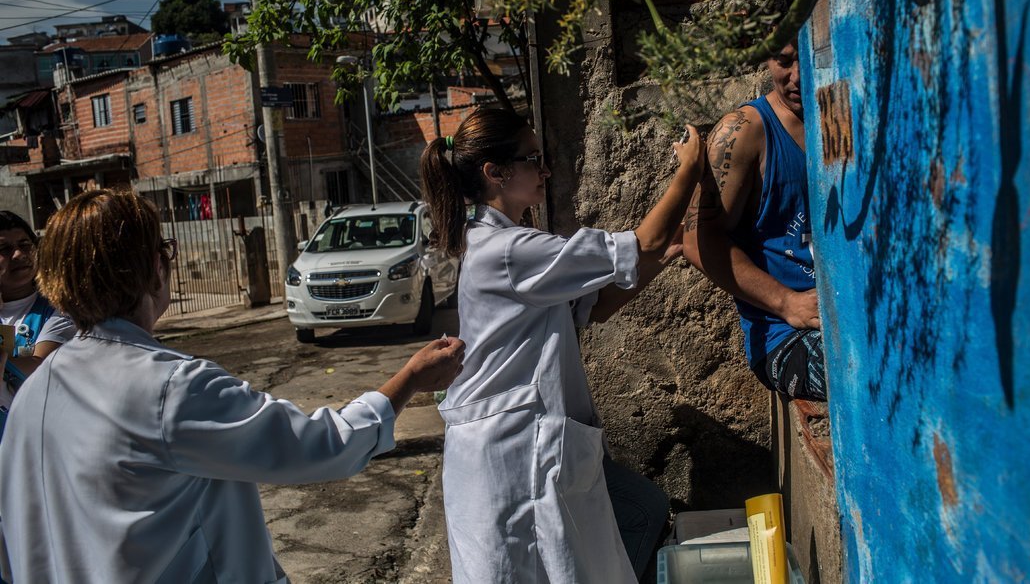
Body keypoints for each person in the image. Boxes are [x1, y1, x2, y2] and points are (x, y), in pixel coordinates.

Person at [0, 188, 465, 583]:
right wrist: (409, 381)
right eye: (163, 249)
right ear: (152, 269)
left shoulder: (37, 390)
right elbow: (321, 447)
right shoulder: (168, 386)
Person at [420, 107, 705, 583]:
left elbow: (594, 307)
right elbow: (639, 240)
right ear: (496, 172)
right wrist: (689, 171)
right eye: (533, 159)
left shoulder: (506, 244)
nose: (545, 170)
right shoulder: (508, 252)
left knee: (641, 511)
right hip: (513, 454)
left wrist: (667, 253)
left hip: (529, 443)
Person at [682, 39, 826, 401]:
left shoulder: (846, 111)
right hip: (787, 340)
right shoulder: (745, 131)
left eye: (807, 59)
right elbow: (697, 241)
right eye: (784, 61)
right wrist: (787, 304)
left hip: (848, 312)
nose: (796, 77)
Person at [0, 211, 76, 438]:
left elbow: (39, 369)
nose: (18, 254)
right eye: (4, 249)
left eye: (25, 244)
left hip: (38, 444)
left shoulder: (59, 309)